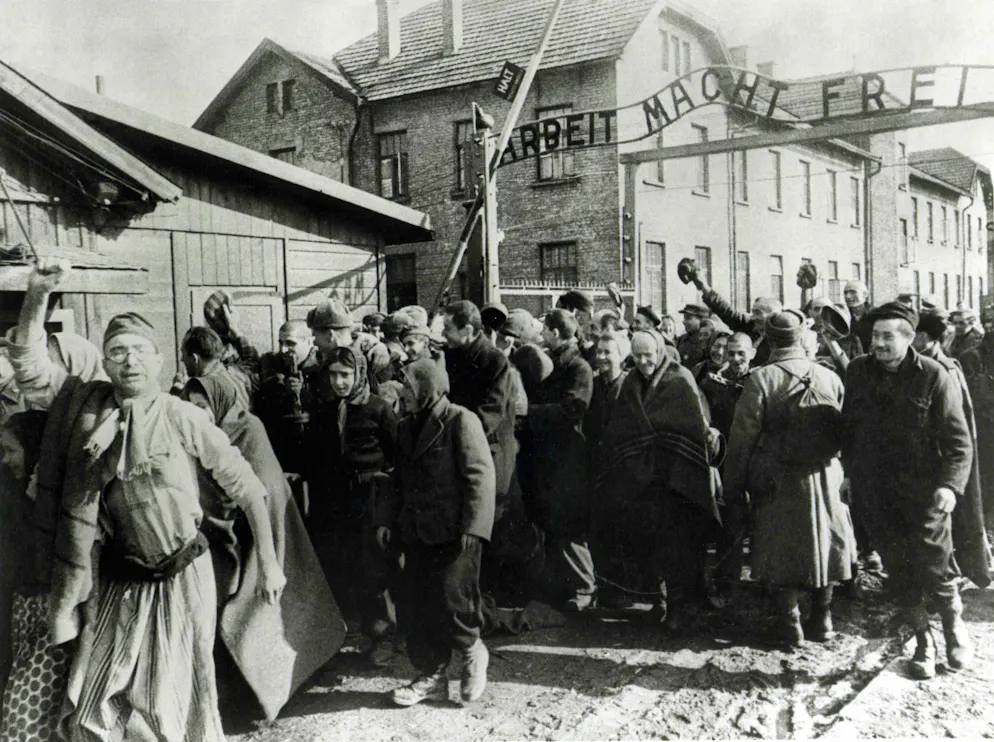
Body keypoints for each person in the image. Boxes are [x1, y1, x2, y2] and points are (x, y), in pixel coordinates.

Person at [7, 259, 284, 742]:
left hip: (182, 576)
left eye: (139, 351)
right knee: (97, 704)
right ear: (104, 362)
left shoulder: (182, 417)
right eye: (117, 352)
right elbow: (30, 365)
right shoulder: (85, 408)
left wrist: (273, 565)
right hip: (118, 577)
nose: (129, 360)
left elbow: (248, 488)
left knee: (166, 704)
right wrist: (38, 294)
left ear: (160, 361)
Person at [183, 373, 342, 721]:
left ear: (219, 404)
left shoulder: (248, 429)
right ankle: (234, 693)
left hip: (261, 530)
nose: (196, 413)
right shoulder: (195, 435)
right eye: (190, 406)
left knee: (261, 612)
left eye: (202, 406)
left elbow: (264, 490)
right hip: (222, 530)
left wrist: (266, 557)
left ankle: (270, 689)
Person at [842, 302, 974, 679]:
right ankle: (923, 641)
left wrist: (950, 486)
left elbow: (958, 442)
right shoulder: (858, 371)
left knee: (935, 565)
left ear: (908, 337)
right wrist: (850, 475)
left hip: (925, 493)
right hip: (876, 493)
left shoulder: (934, 375)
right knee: (898, 569)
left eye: (886, 336)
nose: (878, 344)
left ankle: (953, 628)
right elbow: (850, 428)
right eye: (874, 337)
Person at [724, 310, 856, 645]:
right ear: (800, 338)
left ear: (768, 340)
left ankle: (789, 623)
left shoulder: (761, 379)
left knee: (779, 544)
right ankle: (823, 619)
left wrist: (735, 487)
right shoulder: (828, 377)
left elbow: (742, 441)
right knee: (827, 542)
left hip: (777, 477)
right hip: (826, 474)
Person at [375, 358, 495, 707]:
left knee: (453, 598)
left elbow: (480, 476)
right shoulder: (405, 426)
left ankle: (473, 651)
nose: (404, 394)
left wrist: (475, 526)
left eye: (409, 388)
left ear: (427, 388)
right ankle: (431, 675)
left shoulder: (460, 420)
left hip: (454, 534)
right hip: (416, 533)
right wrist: (385, 520)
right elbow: (396, 480)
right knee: (416, 603)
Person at [594, 329, 719, 630]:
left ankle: (678, 606)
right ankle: (656, 601)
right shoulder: (630, 384)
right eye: (637, 356)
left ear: (661, 350)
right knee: (645, 542)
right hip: (641, 482)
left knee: (678, 545)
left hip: (677, 481)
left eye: (649, 354)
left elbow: (694, 424)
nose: (644, 361)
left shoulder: (680, 379)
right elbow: (621, 428)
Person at [305, 345, 398, 661]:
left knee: (374, 569)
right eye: (333, 375)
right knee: (344, 565)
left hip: (370, 501)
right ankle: (355, 630)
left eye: (345, 375)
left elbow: (397, 457)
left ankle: (384, 637)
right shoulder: (327, 409)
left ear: (359, 373)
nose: (339, 382)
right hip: (338, 502)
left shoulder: (379, 409)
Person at [0, 411, 70, 742]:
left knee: (24, 710)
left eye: (11, 450)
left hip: (51, 615)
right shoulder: (9, 492)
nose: (6, 459)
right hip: (22, 610)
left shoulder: (54, 501)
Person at [520, 309, 596, 611]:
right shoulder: (551, 363)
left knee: (568, 525)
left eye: (545, 330)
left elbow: (572, 410)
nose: (541, 336)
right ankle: (560, 586)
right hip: (547, 458)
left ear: (554, 331)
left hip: (568, 458)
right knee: (550, 523)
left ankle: (584, 588)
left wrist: (529, 412)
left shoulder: (578, 367)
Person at [912, 310, 991, 588]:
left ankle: (954, 575)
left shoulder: (945, 368)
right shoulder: (924, 362)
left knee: (956, 517)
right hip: (931, 455)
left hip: (946, 457)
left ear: (923, 337)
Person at [584, 331, 632, 609]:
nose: (601, 357)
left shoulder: (628, 386)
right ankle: (606, 587)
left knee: (621, 531)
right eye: (598, 352)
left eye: (607, 352)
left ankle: (623, 589)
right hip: (597, 466)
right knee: (599, 530)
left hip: (621, 469)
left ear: (622, 356)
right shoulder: (593, 384)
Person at [254, 319, 321, 475]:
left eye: (291, 343)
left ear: (310, 341)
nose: (284, 349)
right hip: (283, 450)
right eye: (281, 343)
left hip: (315, 449)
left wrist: (305, 393)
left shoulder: (323, 365)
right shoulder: (271, 363)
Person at [688, 271, 780, 366]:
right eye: (753, 312)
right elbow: (727, 312)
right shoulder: (750, 326)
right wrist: (704, 288)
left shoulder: (782, 339)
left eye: (758, 313)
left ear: (773, 315)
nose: (753, 317)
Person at [675, 304, 712, 369]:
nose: (684, 321)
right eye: (684, 318)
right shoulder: (681, 339)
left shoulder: (708, 341)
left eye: (688, 318)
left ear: (701, 320)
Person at [844, 280, 873, 352]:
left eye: (853, 292)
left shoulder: (875, 315)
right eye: (845, 293)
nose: (847, 296)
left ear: (865, 294)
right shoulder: (843, 316)